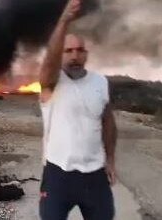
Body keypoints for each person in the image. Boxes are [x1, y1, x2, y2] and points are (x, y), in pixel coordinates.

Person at [38, 0, 117, 219]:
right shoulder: (51, 83)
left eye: (80, 50)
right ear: (60, 54)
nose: (74, 56)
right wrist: (64, 20)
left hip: (95, 176)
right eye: (69, 51)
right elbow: (47, 67)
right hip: (57, 175)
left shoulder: (100, 82)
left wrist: (110, 160)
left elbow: (108, 121)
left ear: (87, 54)